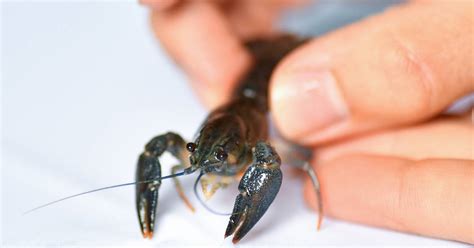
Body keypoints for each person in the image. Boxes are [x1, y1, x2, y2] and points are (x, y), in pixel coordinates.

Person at [140, 0, 473, 244]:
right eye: (196, 151)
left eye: (216, 154)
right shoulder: (208, 137)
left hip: (281, 58)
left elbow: (269, 161)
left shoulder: (261, 147)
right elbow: (158, 149)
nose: (199, 161)